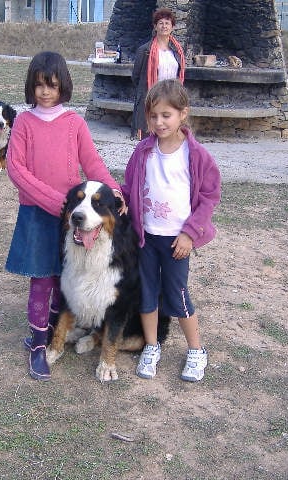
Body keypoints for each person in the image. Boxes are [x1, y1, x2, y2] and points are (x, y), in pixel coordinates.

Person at [5, 51, 124, 381]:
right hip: (38, 216)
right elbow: (16, 170)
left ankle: (56, 331)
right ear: (31, 86)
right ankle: (38, 345)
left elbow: (93, 163)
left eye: (53, 85)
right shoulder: (24, 122)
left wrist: (115, 192)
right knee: (42, 279)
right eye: (39, 85)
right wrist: (58, 204)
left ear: (63, 87)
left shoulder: (74, 123)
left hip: (74, 219)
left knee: (64, 278)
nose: (45, 92)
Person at [122, 79, 221, 382]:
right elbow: (130, 186)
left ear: (183, 114)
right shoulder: (143, 150)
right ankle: (152, 346)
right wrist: (119, 200)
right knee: (147, 293)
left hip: (178, 241)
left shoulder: (196, 154)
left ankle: (196, 350)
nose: (159, 122)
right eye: (153, 116)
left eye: (166, 115)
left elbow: (209, 196)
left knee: (177, 295)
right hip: (146, 238)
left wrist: (190, 233)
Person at [131, 8, 185, 141]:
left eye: (167, 23)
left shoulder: (177, 51)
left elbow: (179, 74)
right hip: (152, 98)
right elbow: (136, 77)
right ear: (155, 26)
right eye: (161, 23)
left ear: (172, 27)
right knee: (149, 137)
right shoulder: (145, 50)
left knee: (169, 136)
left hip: (172, 98)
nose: (164, 26)